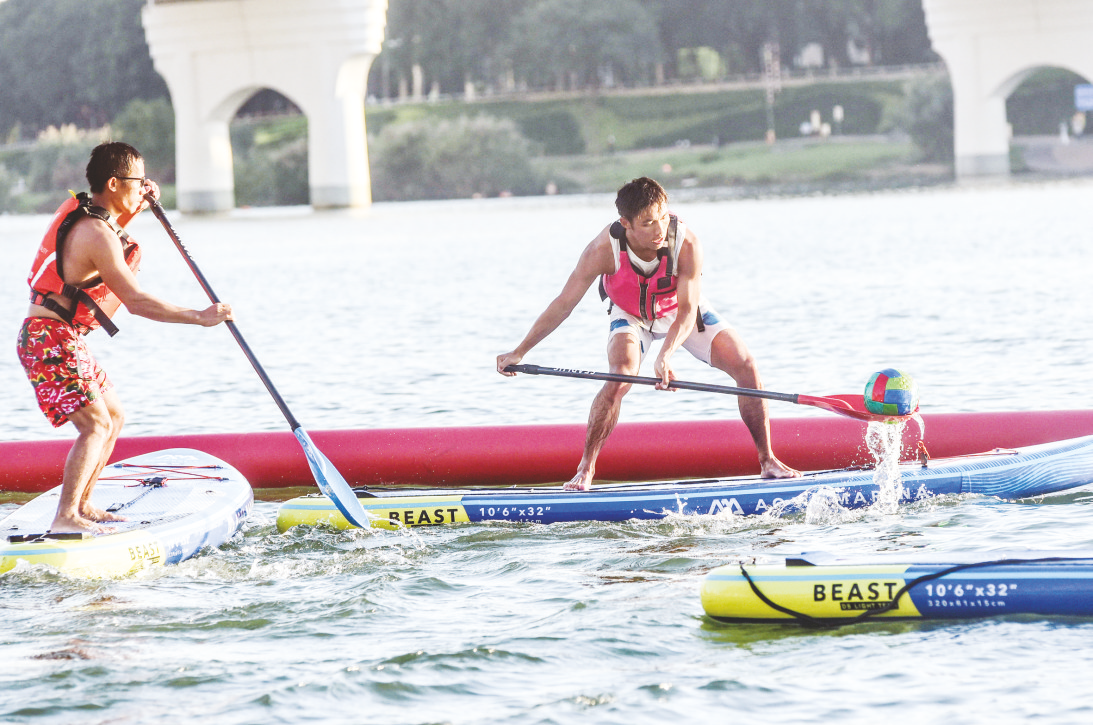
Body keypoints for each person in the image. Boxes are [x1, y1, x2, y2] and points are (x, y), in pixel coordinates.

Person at [496, 176, 799, 491]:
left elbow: (687, 311)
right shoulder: (602, 249)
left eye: (663, 217)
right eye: (648, 223)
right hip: (630, 314)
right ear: (625, 223)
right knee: (620, 376)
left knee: (746, 365)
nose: (660, 229)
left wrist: (665, 356)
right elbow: (563, 304)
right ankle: (585, 469)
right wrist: (520, 351)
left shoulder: (686, 243)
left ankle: (768, 461)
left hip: (678, 310)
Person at [17, 141, 234, 534]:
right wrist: (200, 317)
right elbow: (136, 302)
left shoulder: (92, 217)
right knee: (95, 426)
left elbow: (114, 219)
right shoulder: (96, 234)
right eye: (138, 180)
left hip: (61, 336)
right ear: (114, 183)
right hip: (50, 337)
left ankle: (83, 504)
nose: (145, 186)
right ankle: (65, 516)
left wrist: (140, 201)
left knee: (114, 416)